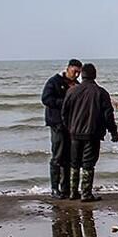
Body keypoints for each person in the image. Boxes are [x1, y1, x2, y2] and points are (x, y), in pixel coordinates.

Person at [62, 63, 118, 202]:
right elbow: (108, 116)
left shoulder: (72, 91)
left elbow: (64, 113)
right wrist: (113, 132)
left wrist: (70, 128)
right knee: (88, 164)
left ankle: (73, 193)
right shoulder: (101, 92)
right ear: (95, 75)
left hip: (75, 133)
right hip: (92, 134)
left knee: (74, 163)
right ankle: (86, 194)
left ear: (82, 75)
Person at [41, 58, 81, 199]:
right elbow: (46, 99)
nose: (76, 75)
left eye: (79, 73)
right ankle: (54, 188)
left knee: (69, 158)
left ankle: (66, 188)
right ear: (68, 68)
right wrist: (65, 103)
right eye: (74, 71)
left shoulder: (76, 84)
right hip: (57, 123)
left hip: (71, 125)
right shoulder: (54, 81)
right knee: (57, 156)